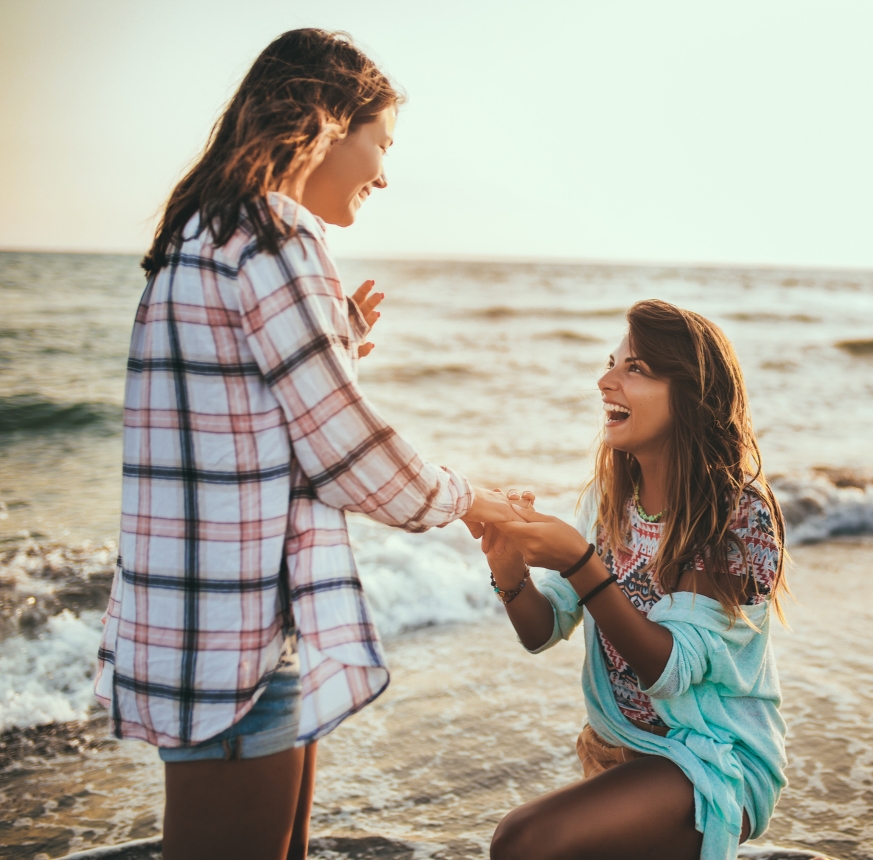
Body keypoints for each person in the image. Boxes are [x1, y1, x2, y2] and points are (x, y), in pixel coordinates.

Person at [93, 29, 515, 860]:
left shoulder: (205, 231)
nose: (386, 172)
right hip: (237, 633)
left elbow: (238, 404)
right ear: (327, 122)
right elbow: (346, 448)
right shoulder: (278, 236)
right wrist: (476, 500)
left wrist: (337, 338)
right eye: (381, 143)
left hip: (200, 618)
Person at [476, 299, 789, 860]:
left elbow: (668, 671)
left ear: (690, 393)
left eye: (634, 369)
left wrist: (579, 561)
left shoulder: (738, 515)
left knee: (521, 843)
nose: (605, 381)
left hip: (715, 759)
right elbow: (541, 631)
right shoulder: (608, 501)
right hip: (617, 748)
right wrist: (510, 569)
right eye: (611, 363)